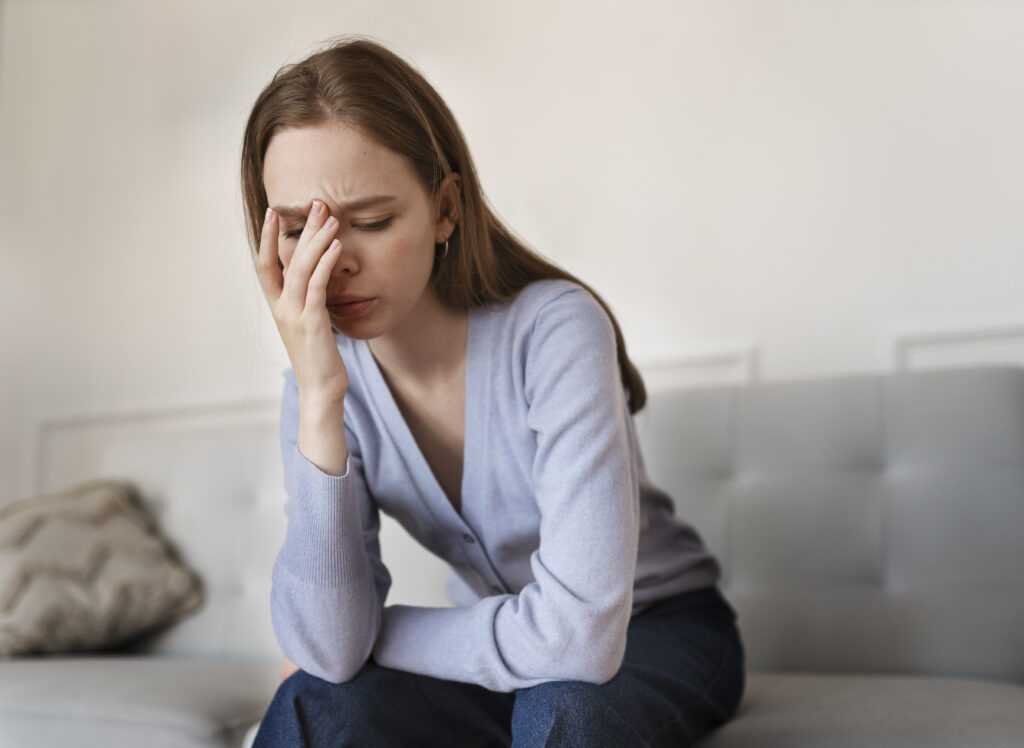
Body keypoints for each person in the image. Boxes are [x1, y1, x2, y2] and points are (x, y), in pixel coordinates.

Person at [242, 35, 745, 747]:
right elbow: (326, 656)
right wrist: (322, 399)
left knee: (563, 710)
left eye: (372, 221)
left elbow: (579, 642)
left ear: (445, 207)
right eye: (299, 229)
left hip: (658, 630)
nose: (334, 262)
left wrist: (381, 634)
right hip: (513, 653)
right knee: (312, 707)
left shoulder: (555, 330)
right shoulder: (319, 387)